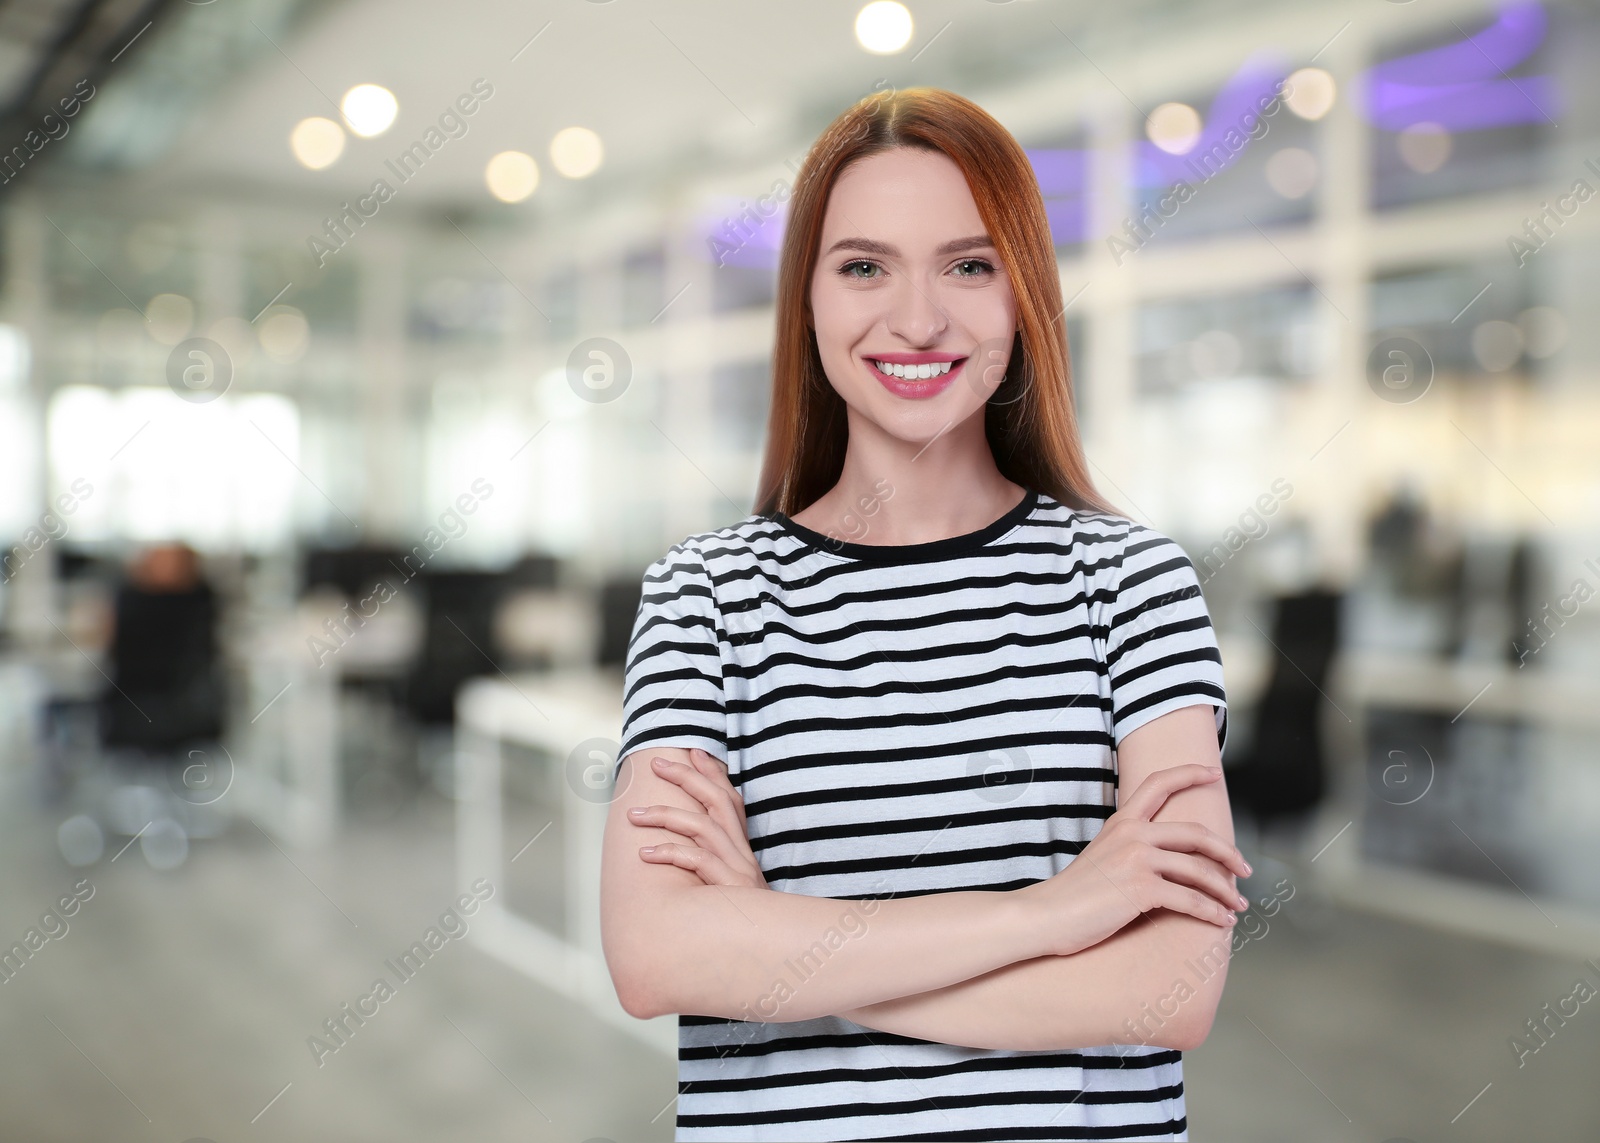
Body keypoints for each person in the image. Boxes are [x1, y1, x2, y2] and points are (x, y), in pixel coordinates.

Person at [600, 87, 1247, 1142]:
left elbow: (1168, 989)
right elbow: (654, 958)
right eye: (863, 266)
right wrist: (1049, 917)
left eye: (968, 264)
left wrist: (781, 949)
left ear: (1022, 292)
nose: (916, 319)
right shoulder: (702, 596)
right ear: (805, 299)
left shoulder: (1132, 583)